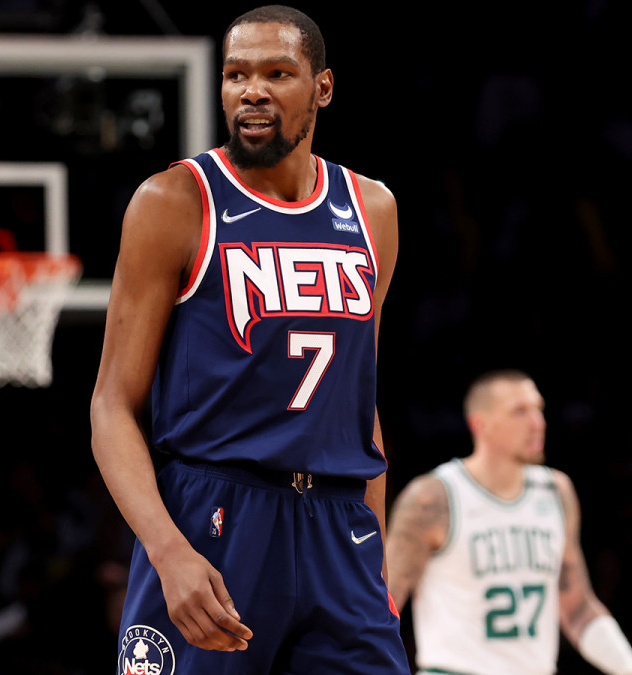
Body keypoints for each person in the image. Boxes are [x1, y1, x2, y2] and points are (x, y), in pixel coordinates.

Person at [89, 5, 410, 673]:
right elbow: (111, 407)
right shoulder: (175, 200)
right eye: (236, 74)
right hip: (213, 516)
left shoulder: (371, 209)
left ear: (322, 88)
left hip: (338, 523)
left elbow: (360, 400)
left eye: (276, 73)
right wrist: (166, 549)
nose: (252, 89)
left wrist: (371, 549)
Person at [385, 370, 632, 675]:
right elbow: (384, 603)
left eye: (539, 409)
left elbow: (577, 609)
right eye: (520, 411)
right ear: (480, 424)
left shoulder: (555, 491)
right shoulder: (433, 497)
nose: (538, 423)